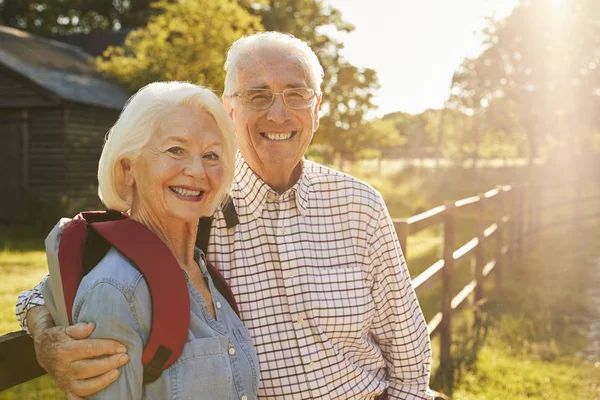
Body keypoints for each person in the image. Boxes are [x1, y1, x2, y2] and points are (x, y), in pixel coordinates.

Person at [17, 32, 434, 399]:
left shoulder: (360, 204)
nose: (278, 114)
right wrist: (46, 339)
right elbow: (66, 288)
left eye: (295, 94)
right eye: (257, 96)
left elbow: (409, 349)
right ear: (228, 109)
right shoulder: (193, 199)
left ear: (317, 107)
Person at [37, 81, 259, 399]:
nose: (197, 170)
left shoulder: (207, 274)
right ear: (129, 167)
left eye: (211, 155)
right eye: (175, 150)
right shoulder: (116, 291)